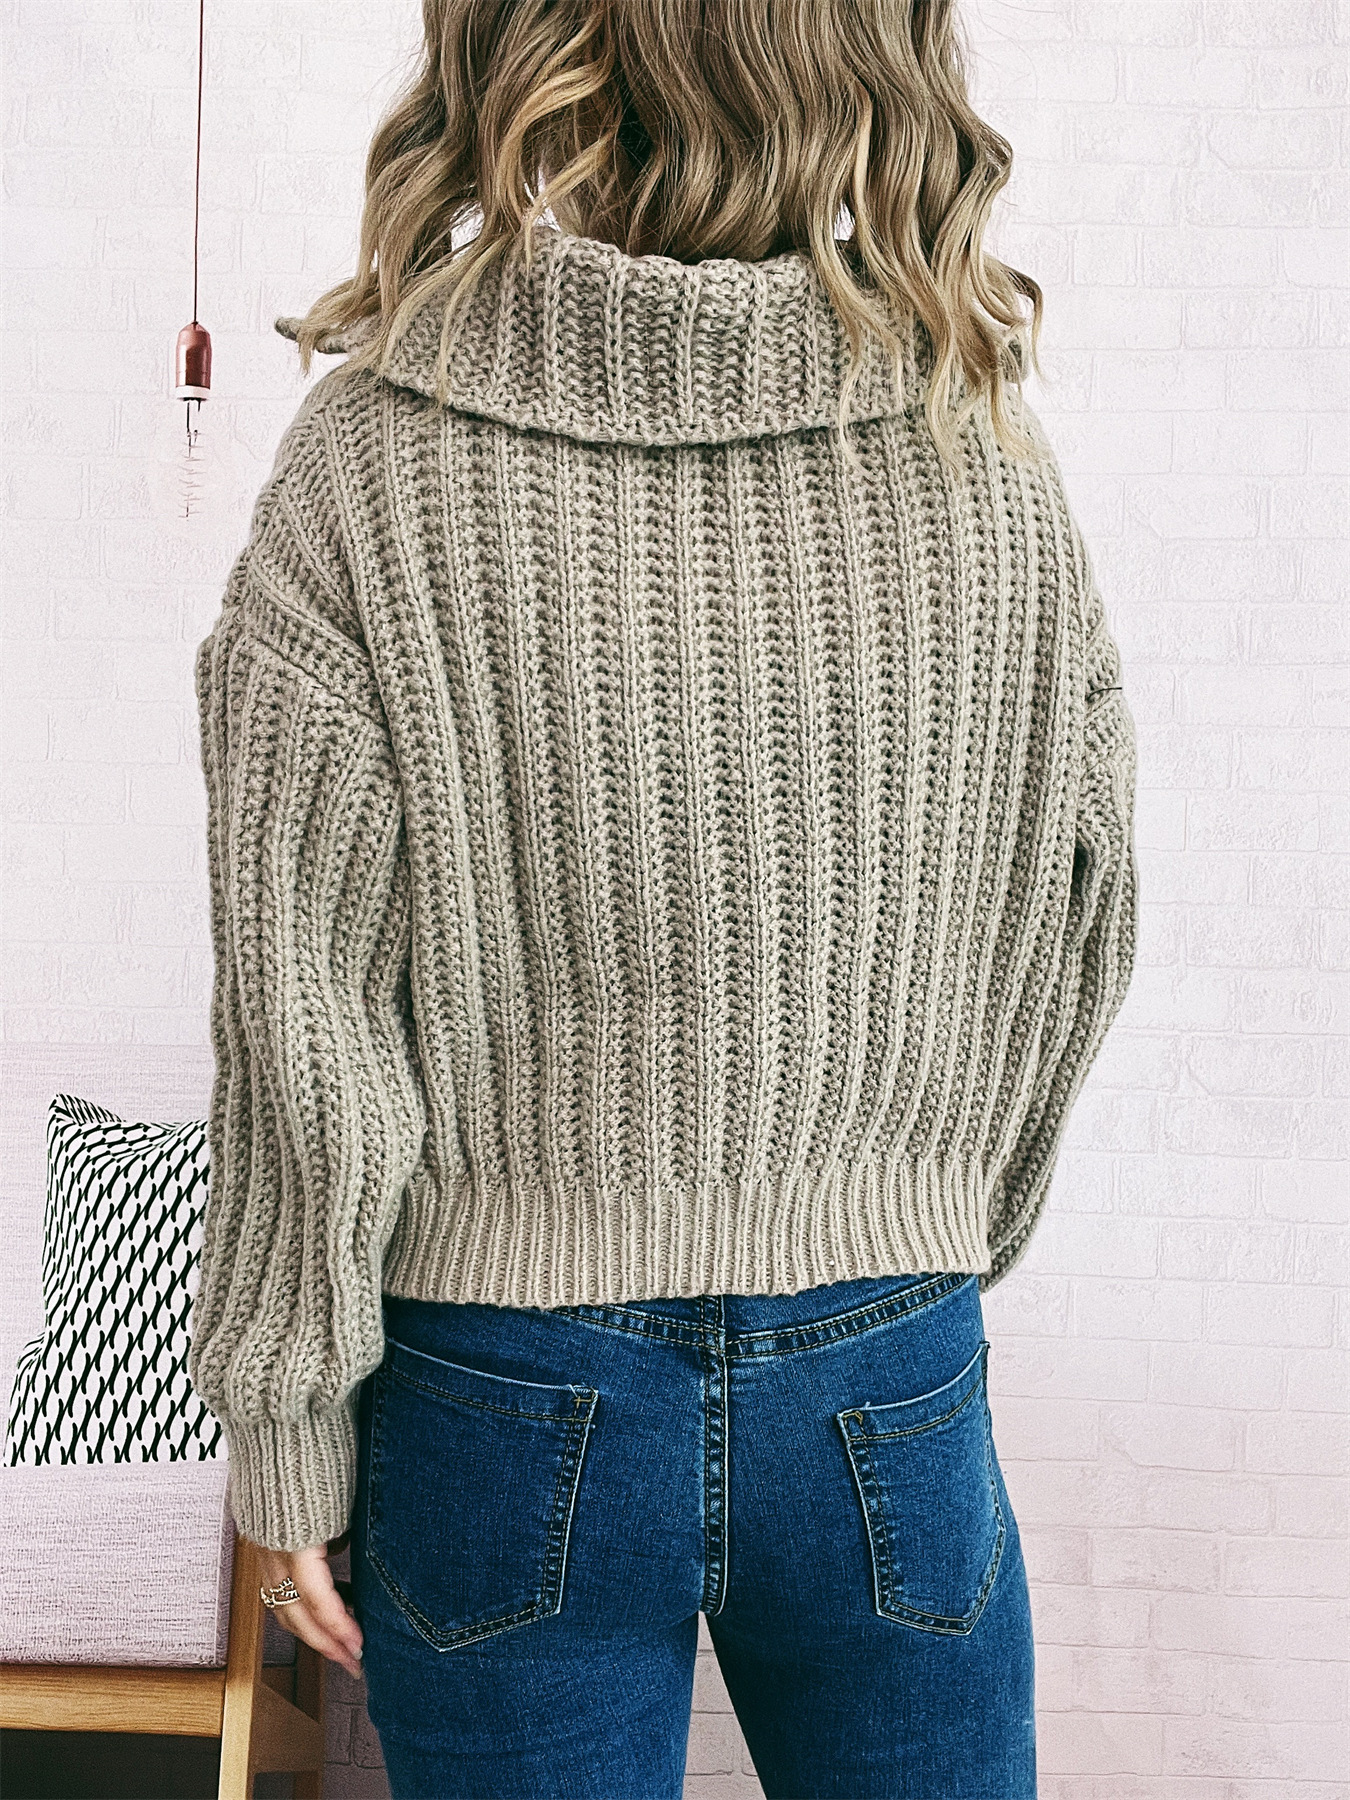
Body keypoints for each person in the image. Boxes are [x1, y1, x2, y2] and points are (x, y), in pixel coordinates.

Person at [188, 2, 1138, 1794]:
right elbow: (1070, 916)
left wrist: (288, 1431)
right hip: (885, 1353)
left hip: (499, 1379)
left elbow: (305, 1008)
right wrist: (931, 1221)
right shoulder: (983, 451)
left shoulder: (372, 456)